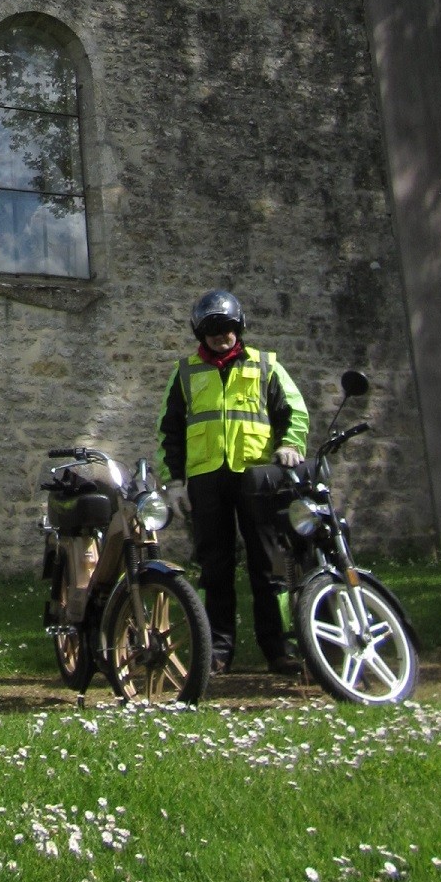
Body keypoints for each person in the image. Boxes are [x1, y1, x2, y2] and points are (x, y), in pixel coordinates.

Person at [158, 288, 309, 674]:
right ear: (199, 333)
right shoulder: (186, 372)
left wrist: (291, 444)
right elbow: (169, 431)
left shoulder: (265, 365)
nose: (220, 335)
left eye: (226, 328)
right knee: (215, 568)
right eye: (211, 330)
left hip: (257, 479)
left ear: (238, 327)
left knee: (269, 566)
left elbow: (294, 409)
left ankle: (278, 649)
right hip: (207, 482)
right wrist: (174, 482)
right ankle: (217, 651)